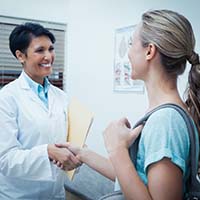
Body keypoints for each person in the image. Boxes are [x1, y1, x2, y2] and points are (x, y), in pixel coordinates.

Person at [56, 9, 200, 199]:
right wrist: (83, 154)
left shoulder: (166, 122)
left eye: (132, 43)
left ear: (150, 51)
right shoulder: (165, 114)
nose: (129, 53)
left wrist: (116, 149)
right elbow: (136, 180)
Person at [0, 22, 81, 199]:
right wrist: (47, 152)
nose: (48, 56)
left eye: (51, 49)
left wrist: (75, 154)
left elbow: (65, 140)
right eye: (40, 50)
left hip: (55, 192)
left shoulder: (61, 97)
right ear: (21, 56)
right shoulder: (6, 98)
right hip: (19, 195)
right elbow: (5, 160)